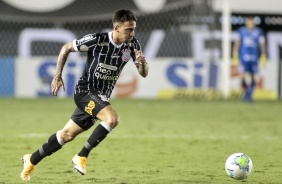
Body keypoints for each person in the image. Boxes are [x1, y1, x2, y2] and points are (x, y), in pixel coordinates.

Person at [20, 9, 148, 181]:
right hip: (86, 91)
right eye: (128, 29)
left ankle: (31, 159)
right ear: (116, 27)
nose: (132, 33)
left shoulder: (133, 45)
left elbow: (143, 73)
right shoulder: (98, 40)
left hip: (101, 98)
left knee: (66, 135)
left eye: (133, 29)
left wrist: (142, 63)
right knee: (112, 119)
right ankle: (81, 156)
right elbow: (66, 48)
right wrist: (57, 76)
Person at [232, 16, 267, 102]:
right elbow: (237, 43)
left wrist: (263, 55)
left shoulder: (258, 32)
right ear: (246, 22)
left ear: (253, 23)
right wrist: (235, 54)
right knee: (242, 75)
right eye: (248, 21)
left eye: (251, 22)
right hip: (244, 56)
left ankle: (249, 95)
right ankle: (246, 92)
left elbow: (262, 44)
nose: (250, 23)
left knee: (253, 76)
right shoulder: (241, 31)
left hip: (254, 56)